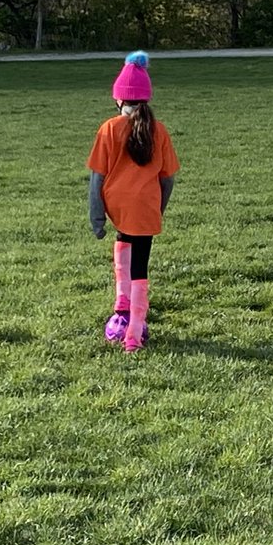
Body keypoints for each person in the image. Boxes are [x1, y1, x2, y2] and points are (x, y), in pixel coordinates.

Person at [88, 52, 180, 353]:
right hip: (146, 206)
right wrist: (159, 209)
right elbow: (167, 179)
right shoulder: (159, 130)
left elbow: (97, 178)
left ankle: (122, 305)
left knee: (123, 241)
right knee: (141, 266)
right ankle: (134, 333)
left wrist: (97, 217)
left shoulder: (109, 128)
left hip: (118, 206)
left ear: (118, 99)